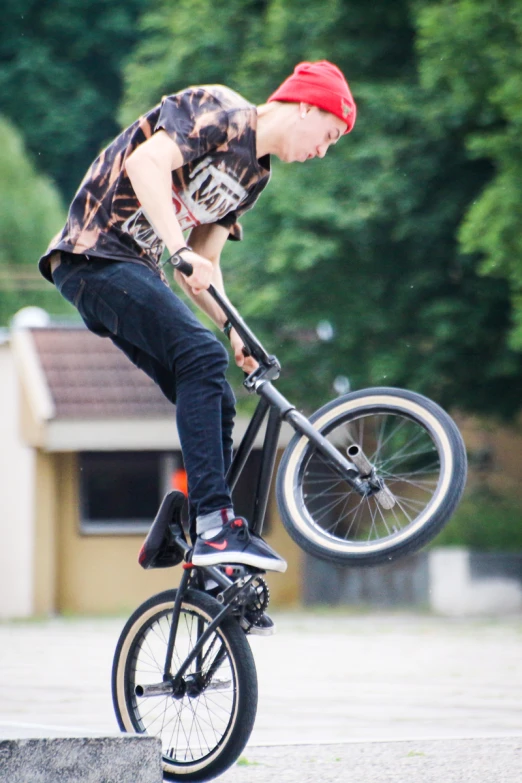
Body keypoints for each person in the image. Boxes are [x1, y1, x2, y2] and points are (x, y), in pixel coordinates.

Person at [39, 60, 356, 629]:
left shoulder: (253, 175)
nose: (324, 152)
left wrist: (237, 330)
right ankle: (213, 526)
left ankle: (197, 540)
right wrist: (174, 248)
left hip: (129, 271)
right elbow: (145, 162)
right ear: (308, 106)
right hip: (94, 253)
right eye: (328, 136)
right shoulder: (223, 110)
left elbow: (206, 262)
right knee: (199, 358)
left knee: (215, 392)